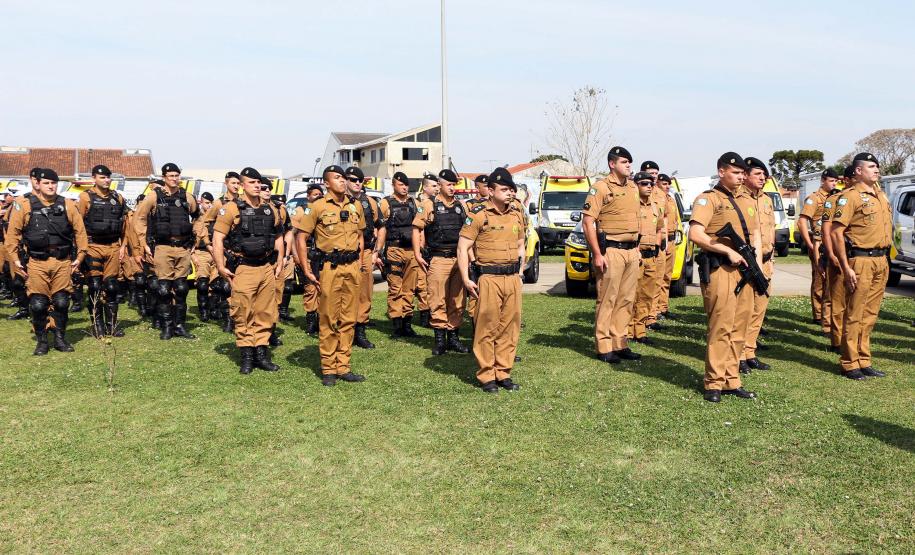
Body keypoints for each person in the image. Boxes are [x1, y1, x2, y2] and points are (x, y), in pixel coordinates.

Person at [689, 153, 761, 402]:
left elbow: (755, 235)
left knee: (740, 328)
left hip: (746, 271)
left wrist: (758, 266)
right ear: (721, 172)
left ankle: (732, 380)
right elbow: (696, 234)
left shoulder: (747, 200)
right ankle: (713, 383)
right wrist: (726, 250)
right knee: (721, 327)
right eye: (736, 172)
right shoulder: (709, 200)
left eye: (743, 173)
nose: (741, 177)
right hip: (721, 270)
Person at [295, 166, 366, 386]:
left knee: (349, 318)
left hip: (352, 268)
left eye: (344, 177)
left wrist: (360, 262)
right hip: (329, 269)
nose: (343, 181)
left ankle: (343, 366)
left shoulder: (356, 206)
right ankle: (328, 368)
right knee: (328, 318)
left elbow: (360, 235)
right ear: (326, 183)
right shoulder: (316, 207)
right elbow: (301, 238)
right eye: (337, 178)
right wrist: (306, 269)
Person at [4, 169, 89, 355]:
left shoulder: (66, 204)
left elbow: (80, 232)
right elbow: (13, 235)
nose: (51, 186)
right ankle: (42, 341)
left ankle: (60, 339)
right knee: (38, 304)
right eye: (46, 183)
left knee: (61, 302)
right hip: (37, 262)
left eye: (54, 183)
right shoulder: (24, 204)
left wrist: (80, 257)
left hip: (62, 261)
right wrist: (16, 260)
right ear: (38, 184)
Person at [457, 167, 526, 393]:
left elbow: (520, 244)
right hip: (488, 277)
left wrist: (521, 271)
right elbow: (463, 247)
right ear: (492, 190)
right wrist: (466, 279)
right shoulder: (479, 214)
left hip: (512, 277)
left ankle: (503, 372)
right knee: (487, 326)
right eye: (504, 189)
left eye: (511, 189)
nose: (509, 193)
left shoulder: (516, 213)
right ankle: (487, 375)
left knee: (510, 326)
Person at [212, 167, 284, 374]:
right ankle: (246, 356)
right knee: (243, 312)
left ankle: (261, 354)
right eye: (252, 182)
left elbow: (278, 235)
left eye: (258, 182)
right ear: (242, 185)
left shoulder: (270, 209)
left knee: (265, 311)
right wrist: (220, 265)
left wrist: (279, 260)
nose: (257, 186)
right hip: (243, 268)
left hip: (266, 267)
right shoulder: (232, 208)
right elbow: (218, 238)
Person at [830, 153, 892, 380]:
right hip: (861, 260)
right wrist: (845, 267)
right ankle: (849, 362)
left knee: (870, 314)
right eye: (871, 166)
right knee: (855, 312)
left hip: (881, 260)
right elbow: (837, 232)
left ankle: (863, 359)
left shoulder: (880, 195)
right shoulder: (849, 197)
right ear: (858, 171)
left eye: (877, 166)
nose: (876, 170)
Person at [582, 146, 642, 364]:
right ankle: (604, 345)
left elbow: (637, 220)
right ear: (612, 164)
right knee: (607, 299)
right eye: (624, 162)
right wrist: (597, 254)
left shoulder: (633, 188)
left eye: (629, 162)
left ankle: (620, 342)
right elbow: (588, 222)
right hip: (611, 251)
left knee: (626, 299)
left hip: (631, 251)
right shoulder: (600, 188)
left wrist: (637, 247)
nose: (628, 166)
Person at [134, 163, 200, 340]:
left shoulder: (187, 197)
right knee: (163, 289)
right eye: (170, 176)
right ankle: (167, 326)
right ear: (164, 177)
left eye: (177, 175)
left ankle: (180, 326)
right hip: (163, 247)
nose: (174, 178)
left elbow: (199, 217)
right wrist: (143, 242)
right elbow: (139, 218)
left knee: (181, 288)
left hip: (183, 248)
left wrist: (197, 238)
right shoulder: (154, 196)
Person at [413, 168, 469, 355]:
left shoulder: (462, 206)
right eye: (448, 184)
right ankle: (439, 341)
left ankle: (453, 338)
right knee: (437, 299)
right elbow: (417, 228)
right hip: (438, 259)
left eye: (454, 185)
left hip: (458, 260)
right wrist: (417, 254)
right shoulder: (429, 205)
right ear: (440, 185)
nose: (452, 188)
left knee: (457, 300)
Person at [77, 164, 128, 337]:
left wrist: (123, 246)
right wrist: (81, 250)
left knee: (112, 287)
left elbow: (125, 226)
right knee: (95, 286)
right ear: (94, 178)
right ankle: (97, 325)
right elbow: (78, 226)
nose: (106, 180)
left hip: (113, 247)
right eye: (102, 177)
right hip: (93, 246)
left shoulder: (118, 198)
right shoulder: (85, 197)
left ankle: (111, 326)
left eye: (108, 177)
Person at [739, 157, 775, 373]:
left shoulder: (766, 200)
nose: (763, 178)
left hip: (766, 260)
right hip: (747, 262)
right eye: (757, 174)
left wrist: (771, 257)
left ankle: (750, 351)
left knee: (759, 309)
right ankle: (739, 354)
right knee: (744, 311)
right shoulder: (739, 198)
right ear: (745, 176)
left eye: (764, 174)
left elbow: (770, 229)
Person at [374, 171, 420, 337]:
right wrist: (378, 251)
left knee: (410, 288)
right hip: (394, 250)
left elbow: (419, 227)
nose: (405, 188)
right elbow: (379, 228)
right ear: (394, 185)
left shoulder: (413, 202)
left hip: (411, 251)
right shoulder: (386, 203)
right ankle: (397, 324)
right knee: (395, 287)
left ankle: (407, 323)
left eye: (406, 185)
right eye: (401, 185)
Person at [345, 166, 381, 349]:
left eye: (360, 180)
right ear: (345, 181)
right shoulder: (338, 202)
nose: (357, 183)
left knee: (364, 293)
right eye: (353, 179)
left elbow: (380, 226)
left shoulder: (370, 203)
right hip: (343, 255)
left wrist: (376, 251)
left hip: (366, 252)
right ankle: (343, 331)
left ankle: (360, 331)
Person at [798, 169, 838, 331]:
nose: (834, 184)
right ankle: (818, 314)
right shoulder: (814, 199)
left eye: (836, 181)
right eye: (831, 181)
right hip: (818, 244)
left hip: (831, 244)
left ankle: (827, 312)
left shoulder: (835, 198)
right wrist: (809, 244)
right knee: (820, 279)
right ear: (823, 181)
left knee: (831, 280)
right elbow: (802, 222)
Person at [201, 171, 241, 332]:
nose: (236, 186)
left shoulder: (243, 202)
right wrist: (208, 244)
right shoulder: (218, 203)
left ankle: (238, 317)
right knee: (225, 286)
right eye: (233, 183)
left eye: (238, 183)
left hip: (237, 249)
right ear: (226, 184)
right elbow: (205, 223)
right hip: (223, 250)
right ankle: (228, 320)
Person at [628, 172, 663, 345]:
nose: (649, 186)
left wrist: (656, 247)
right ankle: (627, 331)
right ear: (635, 185)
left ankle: (640, 331)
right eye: (644, 183)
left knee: (647, 295)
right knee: (631, 295)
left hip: (651, 257)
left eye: (651, 183)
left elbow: (659, 229)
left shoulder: (656, 207)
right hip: (637, 256)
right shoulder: (631, 206)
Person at [4, 167, 43, 320]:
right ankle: (24, 308)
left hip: (39, 251)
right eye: (35, 179)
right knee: (18, 282)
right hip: (22, 248)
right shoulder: (22, 201)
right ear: (31, 180)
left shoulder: (55, 201)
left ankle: (40, 314)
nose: (37, 182)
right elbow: (9, 223)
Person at [821, 167, 852, 353]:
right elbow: (827, 230)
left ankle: (851, 339)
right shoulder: (833, 200)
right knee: (838, 300)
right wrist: (830, 254)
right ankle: (837, 341)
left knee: (853, 302)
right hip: (839, 255)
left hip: (855, 255)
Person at [413, 174, 440, 327]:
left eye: (438, 186)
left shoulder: (436, 204)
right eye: (434, 186)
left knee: (433, 284)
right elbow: (416, 229)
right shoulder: (417, 203)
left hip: (433, 248)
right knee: (422, 284)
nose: (437, 188)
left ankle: (432, 313)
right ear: (425, 187)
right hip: (421, 249)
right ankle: (424, 316)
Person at [464, 175, 490, 327]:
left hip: (487, 253)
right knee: (475, 292)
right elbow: (466, 236)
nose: (487, 188)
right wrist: (470, 259)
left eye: (489, 186)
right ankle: (475, 326)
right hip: (473, 255)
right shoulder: (469, 205)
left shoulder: (491, 205)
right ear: (477, 188)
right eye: (484, 186)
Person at [654, 173, 681, 320]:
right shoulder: (656, 198)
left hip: (671, 240)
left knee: (667, 277)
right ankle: (654, 310)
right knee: (657, 276)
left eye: (668, 184)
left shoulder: (670, 198)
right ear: (657, 183)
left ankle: (663, 307)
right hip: (661, 240)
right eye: (664, 183)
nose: (667, 186)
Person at [191, 191, 215, 321]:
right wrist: (193, 255)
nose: (209, 205)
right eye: (206, 203)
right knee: (202, 283)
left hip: (215, 252)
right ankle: (204, 311)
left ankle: (213, 309)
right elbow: (192, 238)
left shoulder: (215, 216)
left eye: (211, 203)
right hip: (201, 252)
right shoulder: (197, 217)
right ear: (201, 202)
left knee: (215, 284)